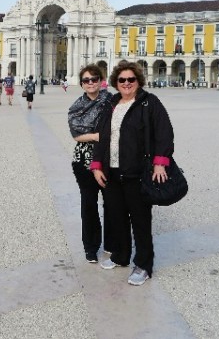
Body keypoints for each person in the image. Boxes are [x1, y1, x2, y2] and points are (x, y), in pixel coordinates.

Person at [90, 61, 174, 286]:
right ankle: (121, 255)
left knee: (141, 221)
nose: (126, 83)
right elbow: (102, 136)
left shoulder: (149, 103)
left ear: (138, 81)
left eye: (131, 79)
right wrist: (97, 165)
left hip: (138, 172)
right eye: (122, 80)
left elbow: (164, 133)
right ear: (116, 83)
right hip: (113, 172)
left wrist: (159, 164)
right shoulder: (111, 103)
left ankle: (144, 265)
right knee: (116, 218)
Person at [68, 64, 114, 264]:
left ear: (100, 80)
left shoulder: (112, 101)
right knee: (89, 204)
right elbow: (76, 136)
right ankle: (91, 246)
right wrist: (98, 135)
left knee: (112, 204)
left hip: (109, 159)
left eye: (94, 79)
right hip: (83, 161)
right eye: (86, 80)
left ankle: (112, 244)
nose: (90, 83)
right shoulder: (76, 106)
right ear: (81, 84)